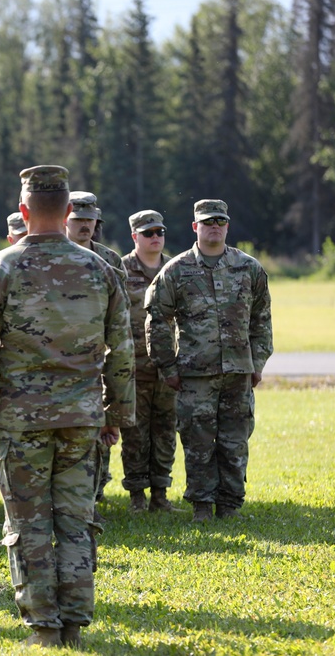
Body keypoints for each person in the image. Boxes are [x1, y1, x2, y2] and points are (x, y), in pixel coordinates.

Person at [0, 166, 135, 648]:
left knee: (28, 526)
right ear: (67, 213)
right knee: (76, 522)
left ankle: (44, 628)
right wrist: (117, 414)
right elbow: (123, 350)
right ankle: (75, 625)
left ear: (22, 212)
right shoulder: (100, 268)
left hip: (21, 421)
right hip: (83, 419)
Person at [145, 199, 273, 522]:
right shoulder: (175, 271)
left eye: (220, 221)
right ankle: (201, 506)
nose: (214, 226)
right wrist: (167, 366)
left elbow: (262, 319)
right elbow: (157, 319)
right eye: (207, 221)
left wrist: (257, 362)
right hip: (194, 375)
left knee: (235, 441)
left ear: (228, 226)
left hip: (238, 374)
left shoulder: (250, 268)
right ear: (195, 227)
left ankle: (230, 505)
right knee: (197, 441)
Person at [65, 191, 127, 514]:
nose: (85, 225)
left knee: (99, 433)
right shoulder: (51, 256)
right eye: (79, 219)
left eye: (90, 219)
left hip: (97, 361)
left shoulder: (110, 261)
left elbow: (120, 319)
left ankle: (93, 497)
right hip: (60, 365)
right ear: (66, 219)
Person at [120, 211, 178, 513]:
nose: (155, 236)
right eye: (148, 232)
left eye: (159, 231)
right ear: (135, 237)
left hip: (167, 369)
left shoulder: (175, 269)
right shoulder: (121, 269)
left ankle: (160, 494)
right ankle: (136, 497)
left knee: (165, 432)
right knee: (135, 435)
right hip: (133, 368)